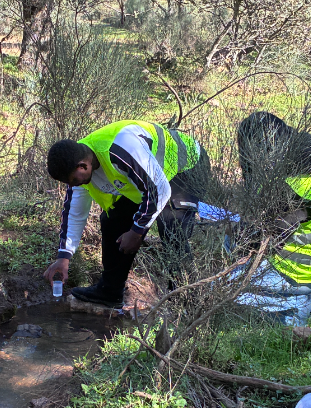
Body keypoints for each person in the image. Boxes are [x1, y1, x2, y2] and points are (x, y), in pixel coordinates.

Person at [43, 120, 209, 307]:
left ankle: (186, 299)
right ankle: (110, 292)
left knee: (171, 225)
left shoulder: (121, 148)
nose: (72, 185)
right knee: (112, 220)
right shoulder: (76, 165)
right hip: (151, 179)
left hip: (187, 165)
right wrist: (64, 257)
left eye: (73, 180)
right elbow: (75, 213)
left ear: (82, 166)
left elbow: (160, 190)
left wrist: (137, 231)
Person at [231, 111, 311, 326]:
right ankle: (305, 298)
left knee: (229, 283)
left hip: (303, 270)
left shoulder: (289, 183)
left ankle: (300, 304)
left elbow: (267, 239)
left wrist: (240, 235)